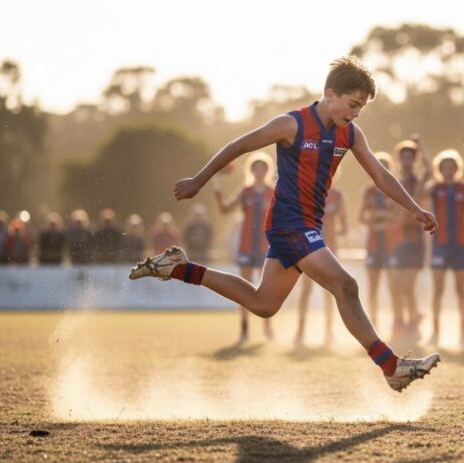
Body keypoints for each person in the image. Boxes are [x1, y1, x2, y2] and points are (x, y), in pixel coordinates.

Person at [129, 57, 440, 392]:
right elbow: (239, 146)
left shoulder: (350, 133)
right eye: (352, 104)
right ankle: (391, 366)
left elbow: (380, 175)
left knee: (264, 304)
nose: (355, 113)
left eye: (361, 108)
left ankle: (179, 268)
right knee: (346, 286)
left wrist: (415, 208)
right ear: (330, 94)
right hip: (289, 224)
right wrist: (199, 181)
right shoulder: (292, 124)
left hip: (307, 227)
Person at [214, 153, 275, 344]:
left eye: (262, 168)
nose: (259, 171)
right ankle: (244, 329)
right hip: (246, 246)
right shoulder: (245, 191)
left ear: (267, 170)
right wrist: (216, 184)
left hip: (266, 247)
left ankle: (267, 326)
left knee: (267, 289)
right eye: (256, 168)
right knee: (244, 289)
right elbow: (225, 209)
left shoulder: (272, 192)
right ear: (252, 170)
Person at [425, 149, 464, 348]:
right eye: (444, 167)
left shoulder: (463, 187)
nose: (448, 171)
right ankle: (435, 331)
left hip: (459, 245)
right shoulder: (434, 187)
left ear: (457, 169)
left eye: (452, 167)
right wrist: (425, 174)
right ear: (439, 169)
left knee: (460, 290)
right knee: (437, 290)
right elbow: (418, 196)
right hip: (439, 244)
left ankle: (463, 332)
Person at [387, 137, 429, 342]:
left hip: (414, 240)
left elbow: (429, 171)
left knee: (406, 285)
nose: (406, 161)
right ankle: (400, 322)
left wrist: (421, 147)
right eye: (403, 157)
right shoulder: (393, 181)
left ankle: (413, 321)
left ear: (415, 159)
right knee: (395, 284)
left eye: (410, 157)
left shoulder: (418, 182)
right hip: (397, 239)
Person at [294, 187, 347, 347]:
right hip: (309, 248)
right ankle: (300, 330)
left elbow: (345, 226)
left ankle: (328, 331)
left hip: (329, 249)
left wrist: (331, 230)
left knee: (330, 291)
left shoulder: (338, 195)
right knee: (306, 289)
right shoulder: (308, 191)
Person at [359, 152, 395, 328]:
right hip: (373, 243)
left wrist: (386, 217)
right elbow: (361, 217)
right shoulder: (368, 191)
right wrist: (374, 219)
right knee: (372, 286)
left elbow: (399, 215)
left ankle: (396, 321)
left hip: (391, 243)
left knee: (393, 285)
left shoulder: (394, 190)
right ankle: (373, 321)